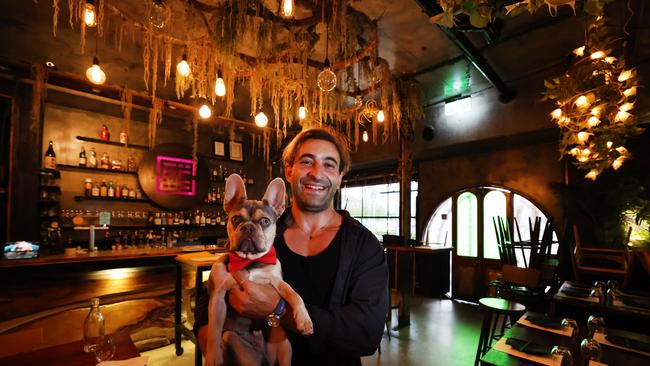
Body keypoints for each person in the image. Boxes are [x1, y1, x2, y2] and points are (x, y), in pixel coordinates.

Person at [195, 126, 388, 365]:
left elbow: (366, 336)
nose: (317, 173)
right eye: (307, 162)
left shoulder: (364, 245)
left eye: (329, 164)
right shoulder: (262, 231)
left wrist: (278, 310)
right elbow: (208, 302)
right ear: (289, 170)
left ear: (340, 176)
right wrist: (217, 349)